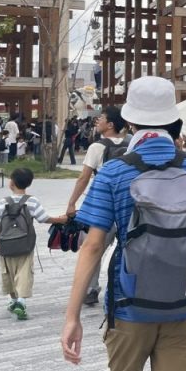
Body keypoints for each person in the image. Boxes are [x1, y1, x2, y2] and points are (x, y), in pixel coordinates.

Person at [61, 76, 186, 371]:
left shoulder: (115, 171)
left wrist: (72, 316)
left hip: (130, 309)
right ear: (173, 119)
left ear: (129, 121)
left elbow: (93, 246)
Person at [63, 106, 128, 307]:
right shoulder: (131, 143)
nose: (97, 121)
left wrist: (72, 203)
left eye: (101, 118)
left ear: (110, 125)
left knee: (92, 247)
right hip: (127, 205)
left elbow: (84, 178)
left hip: (103, 206)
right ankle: (125, 288)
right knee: (127, 248)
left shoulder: (97, 147)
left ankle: (91, 289)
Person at [0, 167, 65, 321]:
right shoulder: (32, 201)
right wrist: (61, 219)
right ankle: (21, 302)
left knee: (8, 272)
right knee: (24, 272)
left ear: (11, 183)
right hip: (25, 244)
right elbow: (44, 218)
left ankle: (13, 301)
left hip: (5, 245)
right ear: (29, 183)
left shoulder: (3, 202)